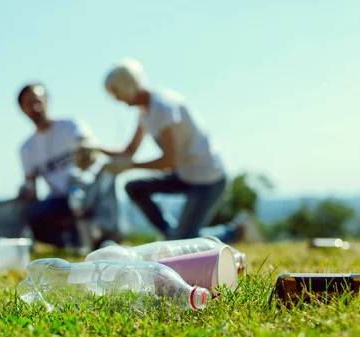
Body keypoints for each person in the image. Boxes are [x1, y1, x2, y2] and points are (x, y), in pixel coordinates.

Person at [100, 59, 262, 243]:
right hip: (185, 174)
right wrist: (96, 150)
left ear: (126, 86)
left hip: (207, 177)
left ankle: (236, 232)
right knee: (134, 188)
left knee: (184, 240)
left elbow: (169, 161)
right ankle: (173, 235)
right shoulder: (145, 112)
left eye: (116, 93)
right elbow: (129, 150)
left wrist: (129, 166)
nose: (117, 99)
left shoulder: (162, 108)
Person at [17, 83, 98, 249]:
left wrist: (84, 152)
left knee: (79, 197)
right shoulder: (27, 148)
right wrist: (25, 195)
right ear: (23, 109)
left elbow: (90, 148)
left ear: (47, 100)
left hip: (87, 191)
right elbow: (31, 186)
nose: (35, 107)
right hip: (59, 199)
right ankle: (68, 244)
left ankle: (94, 237)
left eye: (38, 100)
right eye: (29, 103)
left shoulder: (71, 127)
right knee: (33, 214)